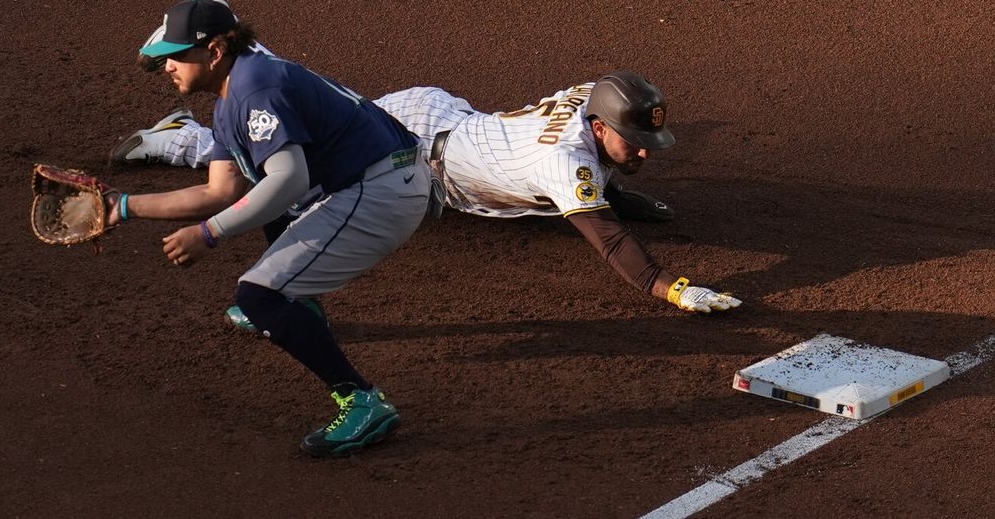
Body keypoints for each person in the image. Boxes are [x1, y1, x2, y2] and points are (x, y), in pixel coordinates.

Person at [115, 66, 742, 314]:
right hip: (414, 142)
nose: (641, 153)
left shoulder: (591, 103)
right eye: (632, 143)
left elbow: (591, 175)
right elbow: (605, 237)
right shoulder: (564, 159)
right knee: (283, 174)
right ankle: (180, 139)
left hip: (446, 117)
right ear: (600, 126)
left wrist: (621, 188)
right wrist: (672, 288)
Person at [109, 0, 431, 457]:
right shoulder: (231, 97)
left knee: (259, 296)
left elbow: (290, 178)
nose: (167, 67)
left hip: (383, 191)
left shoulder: (255, 88)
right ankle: (300, 308)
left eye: (176, 55)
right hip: (375, 178)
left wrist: (208, 233)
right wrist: (121, 208)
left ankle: (360, 401)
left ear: (215, 51)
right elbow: (219, 192)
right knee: (265, 199)